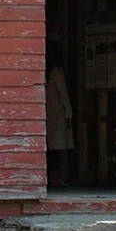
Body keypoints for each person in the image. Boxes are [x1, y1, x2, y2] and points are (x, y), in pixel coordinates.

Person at [45, 40, 74, 174]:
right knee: (57, 146)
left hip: (47, 110)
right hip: (58, 111)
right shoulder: (57, 71)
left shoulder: (46, 71)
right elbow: (63, 93)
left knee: (50, 145)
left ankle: (52, 175)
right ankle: (58, 175)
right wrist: (69, 113)